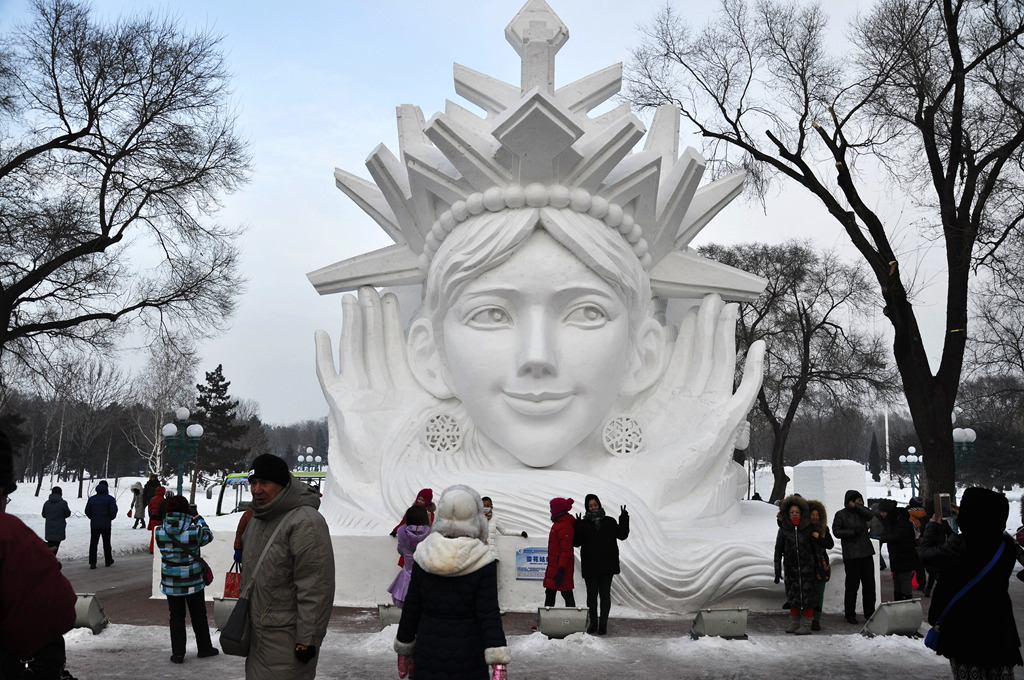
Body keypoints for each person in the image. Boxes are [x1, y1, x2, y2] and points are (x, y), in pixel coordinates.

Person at [395, 484, 510, 680]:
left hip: (428, 649)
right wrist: (498, 661)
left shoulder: (424, 554)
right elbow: (488, 613)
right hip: (469, 653)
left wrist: (404, 650)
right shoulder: (482, 559)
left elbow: (412, 608)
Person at [240, 454, 335, 680]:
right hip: (257, 635)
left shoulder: (305, 522)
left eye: (264, 483)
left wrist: (308, 640)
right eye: (253, 483)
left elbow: (316, 587)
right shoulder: (257, 518)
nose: (257, 490)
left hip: (287, 640)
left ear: (282, 485)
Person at [920, 487, 1022, 678]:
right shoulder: (1006, 546)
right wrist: (974, 515)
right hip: (999, 628)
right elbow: (992, 531)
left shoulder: (960, 544)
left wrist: (933, 525)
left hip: (965, 630)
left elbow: (927, 556)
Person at [1, 430, 78, 680]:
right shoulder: (10, 536)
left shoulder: (45, 504)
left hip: (48, 528)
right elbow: (60, 611)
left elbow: (45, 514)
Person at [155, 494, 219, 664]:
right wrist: (198, 518)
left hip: (171, 582)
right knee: (198, 614)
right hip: (193, 582)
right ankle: (204, 648)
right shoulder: (194, 531)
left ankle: (178, 653)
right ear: (186, 511)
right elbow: (208, 536)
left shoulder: (159, 531)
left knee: (176, 617)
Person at [573, 493, 629, 635]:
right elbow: (576, 542)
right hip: (591, 564)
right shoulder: (584, 524)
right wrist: (578, 526)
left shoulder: (609, 521)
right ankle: (593, 623)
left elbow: (622, 535)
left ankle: (603, 624)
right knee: (591, 596)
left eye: (595, 504)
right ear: (587, 507)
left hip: (606, 564)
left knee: (605, 595)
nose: (593, 507)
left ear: (599, 504)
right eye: (590, 505)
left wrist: (623, 518)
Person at [832, 489, 879, 624]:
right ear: (849, 501)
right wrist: (852, 532)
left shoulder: (862, 513)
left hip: (866, 552)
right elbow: (836, 531)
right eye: (857, 500)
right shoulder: (841, 514)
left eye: (861, 501)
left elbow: (871, 514)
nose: (861, 503)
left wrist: (857, 506)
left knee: (869, 585)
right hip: (852, 555)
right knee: (852, 586)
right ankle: (850, 614)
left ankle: (869, 613)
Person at [774, 495, 818, 635]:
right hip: (791, 569)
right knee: (793, 597)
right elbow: (778, 550)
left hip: (807, 569)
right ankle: (794, 623)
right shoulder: (784, 530)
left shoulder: (808, 528)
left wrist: (819, 568)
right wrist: (777, 570)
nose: (794, 514)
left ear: (801, 513)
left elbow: (816, 550)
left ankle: (806, 625)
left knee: (807, 598)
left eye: (797, 512)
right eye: (792, 512)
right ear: (788, 513)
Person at [387, 505, 431, 608]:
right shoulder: (430, 534)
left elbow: (400, 551)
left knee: (407, 610)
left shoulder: (402, 534)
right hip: (426, 577)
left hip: (407, 576)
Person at [879, 499, 921, 601]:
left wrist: (884, 538)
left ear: (887, 511)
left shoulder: (900, 518)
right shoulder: (890, 519)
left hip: (905, 554)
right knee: (897, 579)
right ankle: (898, 601)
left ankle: (906, 601)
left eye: (883, 512)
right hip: (896, 554)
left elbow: (900, 535)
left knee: (904, 578)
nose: (882, 514)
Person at [543, 497, 576, 608]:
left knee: (565, 593)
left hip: (561, 568)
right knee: (551, 593)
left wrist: (561, 570)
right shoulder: (559, 523)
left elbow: (566, 551)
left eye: (551, 508)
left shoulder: (564, 525)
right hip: (555, 567)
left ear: (558, 509)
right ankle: (547, 620)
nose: (550, 511)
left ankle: (572, 620)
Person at [807, 500, 834, 631]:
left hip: (820, 565)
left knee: (819, 593)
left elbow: (829, 544)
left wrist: (818, 537)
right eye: (812, 514)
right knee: (808, 592)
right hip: (808, 564)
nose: (815, 517)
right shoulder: (804, 529)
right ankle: (807, 617)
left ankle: (816, 619)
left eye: (817, 515)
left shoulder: (824, 529)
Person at [482, 495, 527, 561]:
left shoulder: (494, 518)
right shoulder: (475, 518)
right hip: (480, 555)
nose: (486, 507)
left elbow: (504, 531)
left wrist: (520, 533)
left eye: (488, 505)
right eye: (484, 505)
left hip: (492, 555)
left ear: (491, 506)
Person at [84, 479, 118, 569]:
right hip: (106, 524)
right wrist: (110, 518)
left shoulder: (92, 499)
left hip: (94, 524)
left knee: (93, 543)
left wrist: (93, 517)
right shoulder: (110, 499)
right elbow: (113, 510)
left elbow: (87, 511)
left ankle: (92, 562)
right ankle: (108, 560)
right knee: (106, 543)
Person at [41, 486, 71, 559]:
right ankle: (50, 562)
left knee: (50, 545)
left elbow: (43, 514)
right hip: (59, 528)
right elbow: (67, 513)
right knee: (55, 546)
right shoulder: (63, 503)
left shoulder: (47, 503)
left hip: (49, 528)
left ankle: (49, 560)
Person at [148, 485, 166, 554]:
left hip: (152, 518)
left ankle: (151, 549)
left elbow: (149, 509)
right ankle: (157, 549)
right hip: (159, 518)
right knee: (159, 534)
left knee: (153, 534)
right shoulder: (163, 500)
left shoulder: (152, 499)